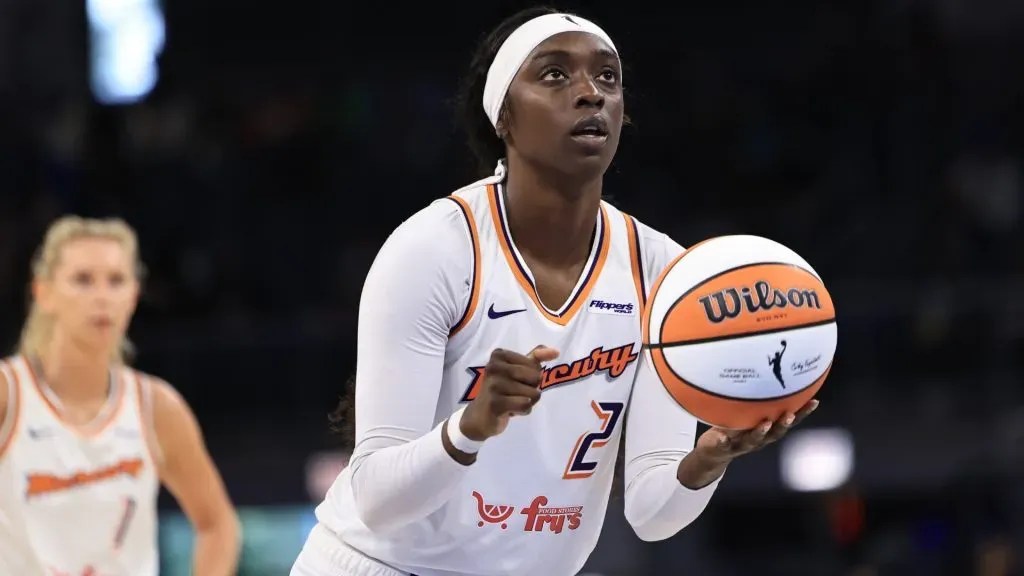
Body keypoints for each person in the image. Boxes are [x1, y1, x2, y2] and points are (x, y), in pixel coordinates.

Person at [292, 7, 819, 576]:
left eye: (608, 77)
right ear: (503, 117)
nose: (591, 93)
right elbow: (377, 501)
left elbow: (650, 513)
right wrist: (471, 425)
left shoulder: (664, 271)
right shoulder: (434, 250)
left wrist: (707, 461)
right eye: (554, 74)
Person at [0, 216, 240, 576]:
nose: (102, 296)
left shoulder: (156, 407)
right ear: (44, 292)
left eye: (116, 281)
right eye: (82, 280)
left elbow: (218, 525)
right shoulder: (10, 394)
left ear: (133, 296)